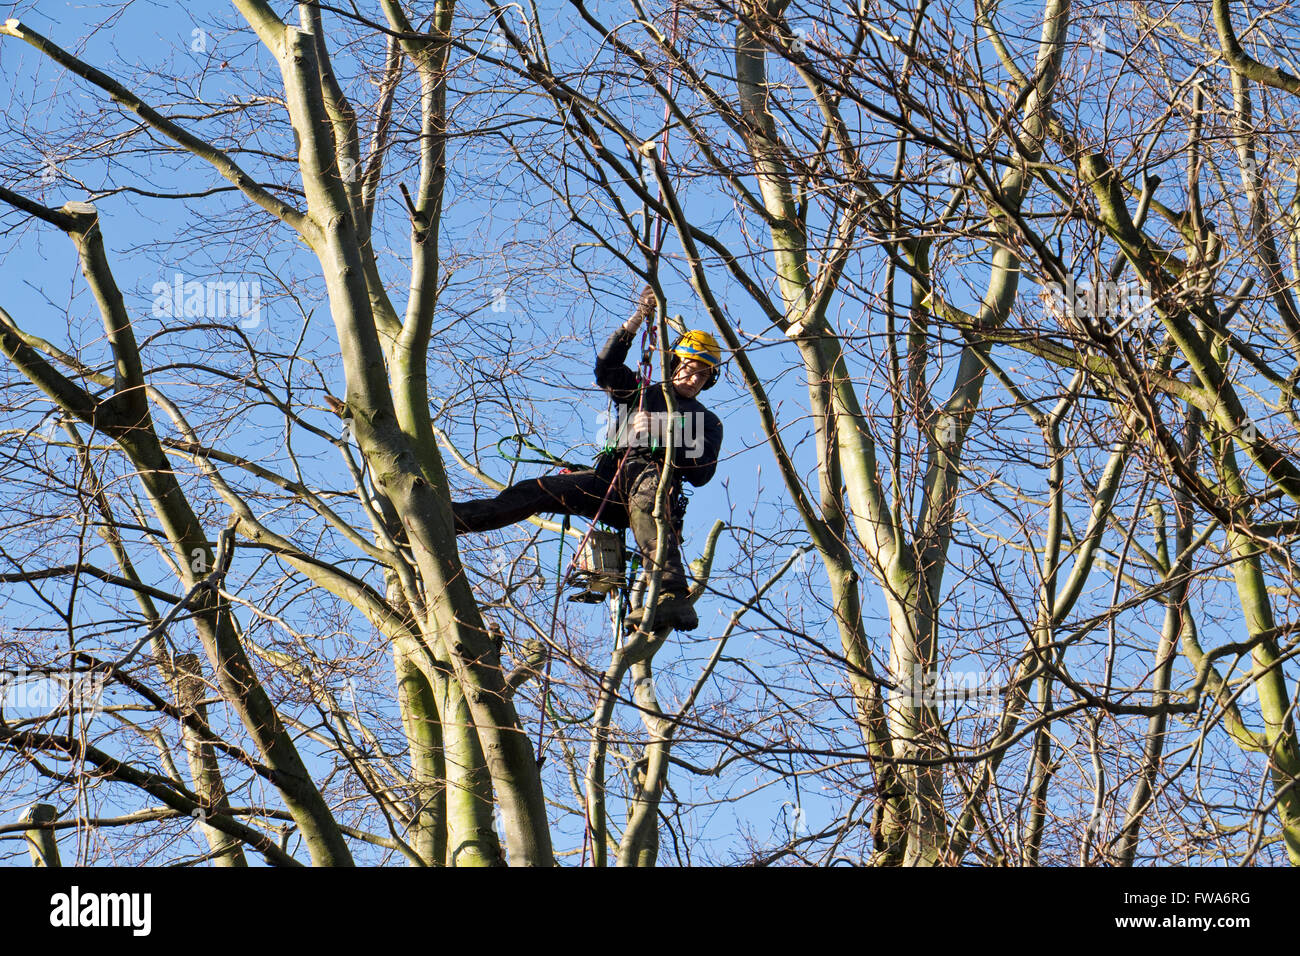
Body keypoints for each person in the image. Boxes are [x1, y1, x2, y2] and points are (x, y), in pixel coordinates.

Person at [452, 288, 724, 631]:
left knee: (646, 483)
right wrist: (638, 318)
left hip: (651, 492)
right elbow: (606, 369)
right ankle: (459, 519)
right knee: (534, 489)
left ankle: (672, 595)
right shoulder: (642, 393)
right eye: (689, 368)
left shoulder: (706, 420)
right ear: (674, 364)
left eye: (703, 373)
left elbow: (703, 472)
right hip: (606, 485)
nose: (694, 378)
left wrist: (662, 431)